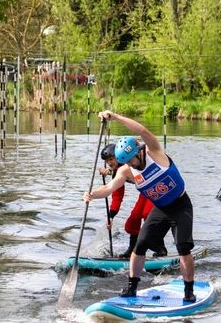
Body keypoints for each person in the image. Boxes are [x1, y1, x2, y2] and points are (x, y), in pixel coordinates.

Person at [84, 110, 200, 302]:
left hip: (181, 206)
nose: (130, 164)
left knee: (182, 247)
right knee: (140, 246)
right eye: (125, 162)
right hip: (161, 209)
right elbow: (109, 188)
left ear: (138, 151)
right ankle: (132, 288)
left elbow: (143, 130)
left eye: (131, 160)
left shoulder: (154, 151)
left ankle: (189, 291)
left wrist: (117, 117)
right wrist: (92, 195)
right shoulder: (126, 170)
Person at [98, 143, 168, 259]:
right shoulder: (117, 172)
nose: (110, 163)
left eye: (111, 159)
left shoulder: (132, 162)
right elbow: (117, 196)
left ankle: (159, 247)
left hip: (157, 187)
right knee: (132, 221)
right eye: (107, 161)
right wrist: (111, 216)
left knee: (147, 214)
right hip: (145, 193)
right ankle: (132, 249)